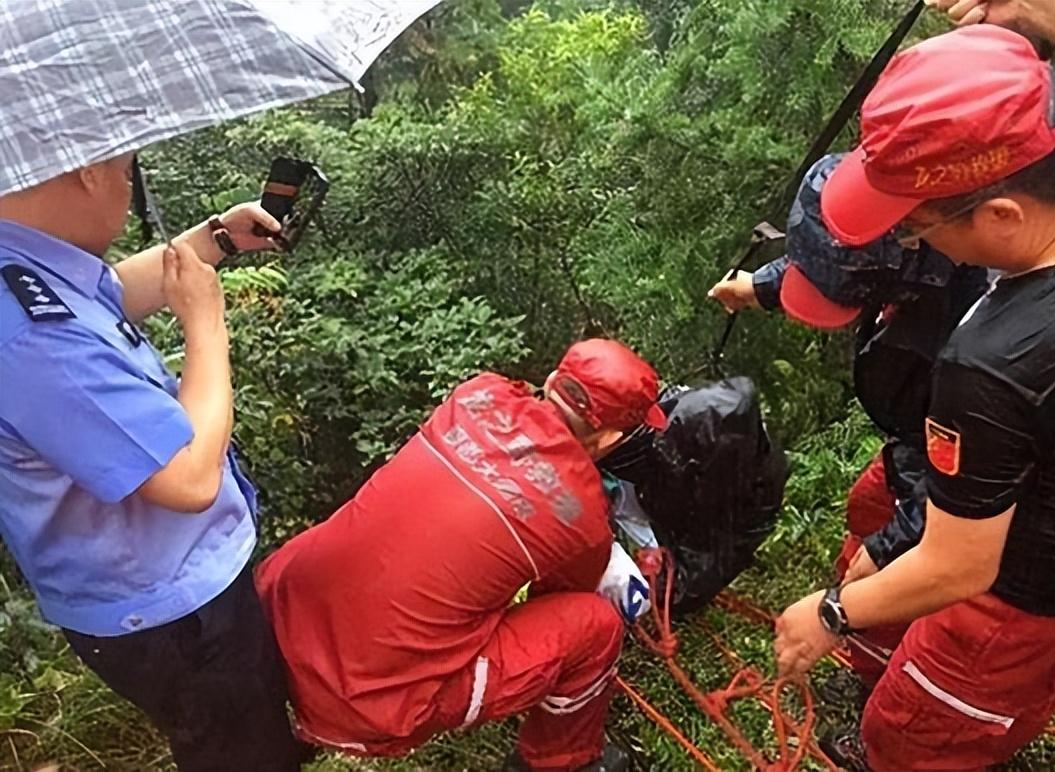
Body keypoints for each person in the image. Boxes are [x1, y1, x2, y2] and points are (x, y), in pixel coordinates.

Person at [771, 1, 1055, 768]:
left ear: (1004, 214)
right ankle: (888, 677)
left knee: (912, 740)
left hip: (1034, 605)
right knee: (881, 512)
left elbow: (958, 566)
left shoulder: (998, 356)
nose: (914, 244)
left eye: (916, 227)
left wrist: (831, 613)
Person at [0, 154, 304, 770]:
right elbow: (190, 476)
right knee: (238, 748)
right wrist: (207, 324)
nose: (125, 185)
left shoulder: (25, 265)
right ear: (85, 171)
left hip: (167, 584)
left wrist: (214, 240)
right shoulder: (28, 337)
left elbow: (103, 298)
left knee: (247, 726)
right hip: (172, 611)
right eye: (124, 171)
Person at [256, 338, 667, 770]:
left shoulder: (478, 392)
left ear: (551, 380)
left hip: (268, 617)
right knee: (596, 628)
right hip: (365, 706)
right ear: (610, 438)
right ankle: (560, 761)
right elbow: (560, 601)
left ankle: (293, 713)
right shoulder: (581, 513)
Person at [708, 155, 990, 677]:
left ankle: (881, 671)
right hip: (922, 435)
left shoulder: (981, 350)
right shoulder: (926, 229)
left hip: (983, 497)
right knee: (869, 505)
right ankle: (871, 634)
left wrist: (870, 576)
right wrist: (763, 287)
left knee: (903, 601)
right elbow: (842, 251)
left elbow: (954, 484)